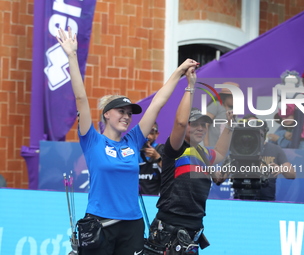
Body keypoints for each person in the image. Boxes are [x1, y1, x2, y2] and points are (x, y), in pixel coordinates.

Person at [56, 27, 199, 255]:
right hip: (100, 224)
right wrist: (71, 55)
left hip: (132, 225)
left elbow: (157, 103)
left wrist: (180, 71)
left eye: (129, 113)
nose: (126, 116)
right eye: (120, 111)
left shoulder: (133, 141)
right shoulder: (92, 140)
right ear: (106, 114)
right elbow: (81, 97)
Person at [144, 66, 234, 254]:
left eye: (204, 125)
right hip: (169, 228)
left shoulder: (203, 153)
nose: (201, 128)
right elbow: (180, 122)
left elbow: (220, 152)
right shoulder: (175, 148)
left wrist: (229, 128)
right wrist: (190, 86)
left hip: (193, 229)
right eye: (195, 124)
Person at [237, 116, 296, 201]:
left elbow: (292, 174)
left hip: (266, 200)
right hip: (242, 197)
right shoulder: (238, 149)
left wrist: (282, 168)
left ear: (263, 131)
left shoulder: (275, 149)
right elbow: (221, 176)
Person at [204, 82, 239, 147]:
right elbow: (204, 124)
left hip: (227, 149)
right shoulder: (216, 105)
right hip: (213, 149)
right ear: (225, 96)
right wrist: (207, 146)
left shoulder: (233, 110)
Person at [139, 122, 164, 195]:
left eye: (151, 132)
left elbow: (171, 174)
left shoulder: (162, 150)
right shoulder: (131, 151)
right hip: (134, 201)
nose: (148, 136)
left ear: (156, 135)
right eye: (145, 132)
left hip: (155, 201)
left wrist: (157, 157)